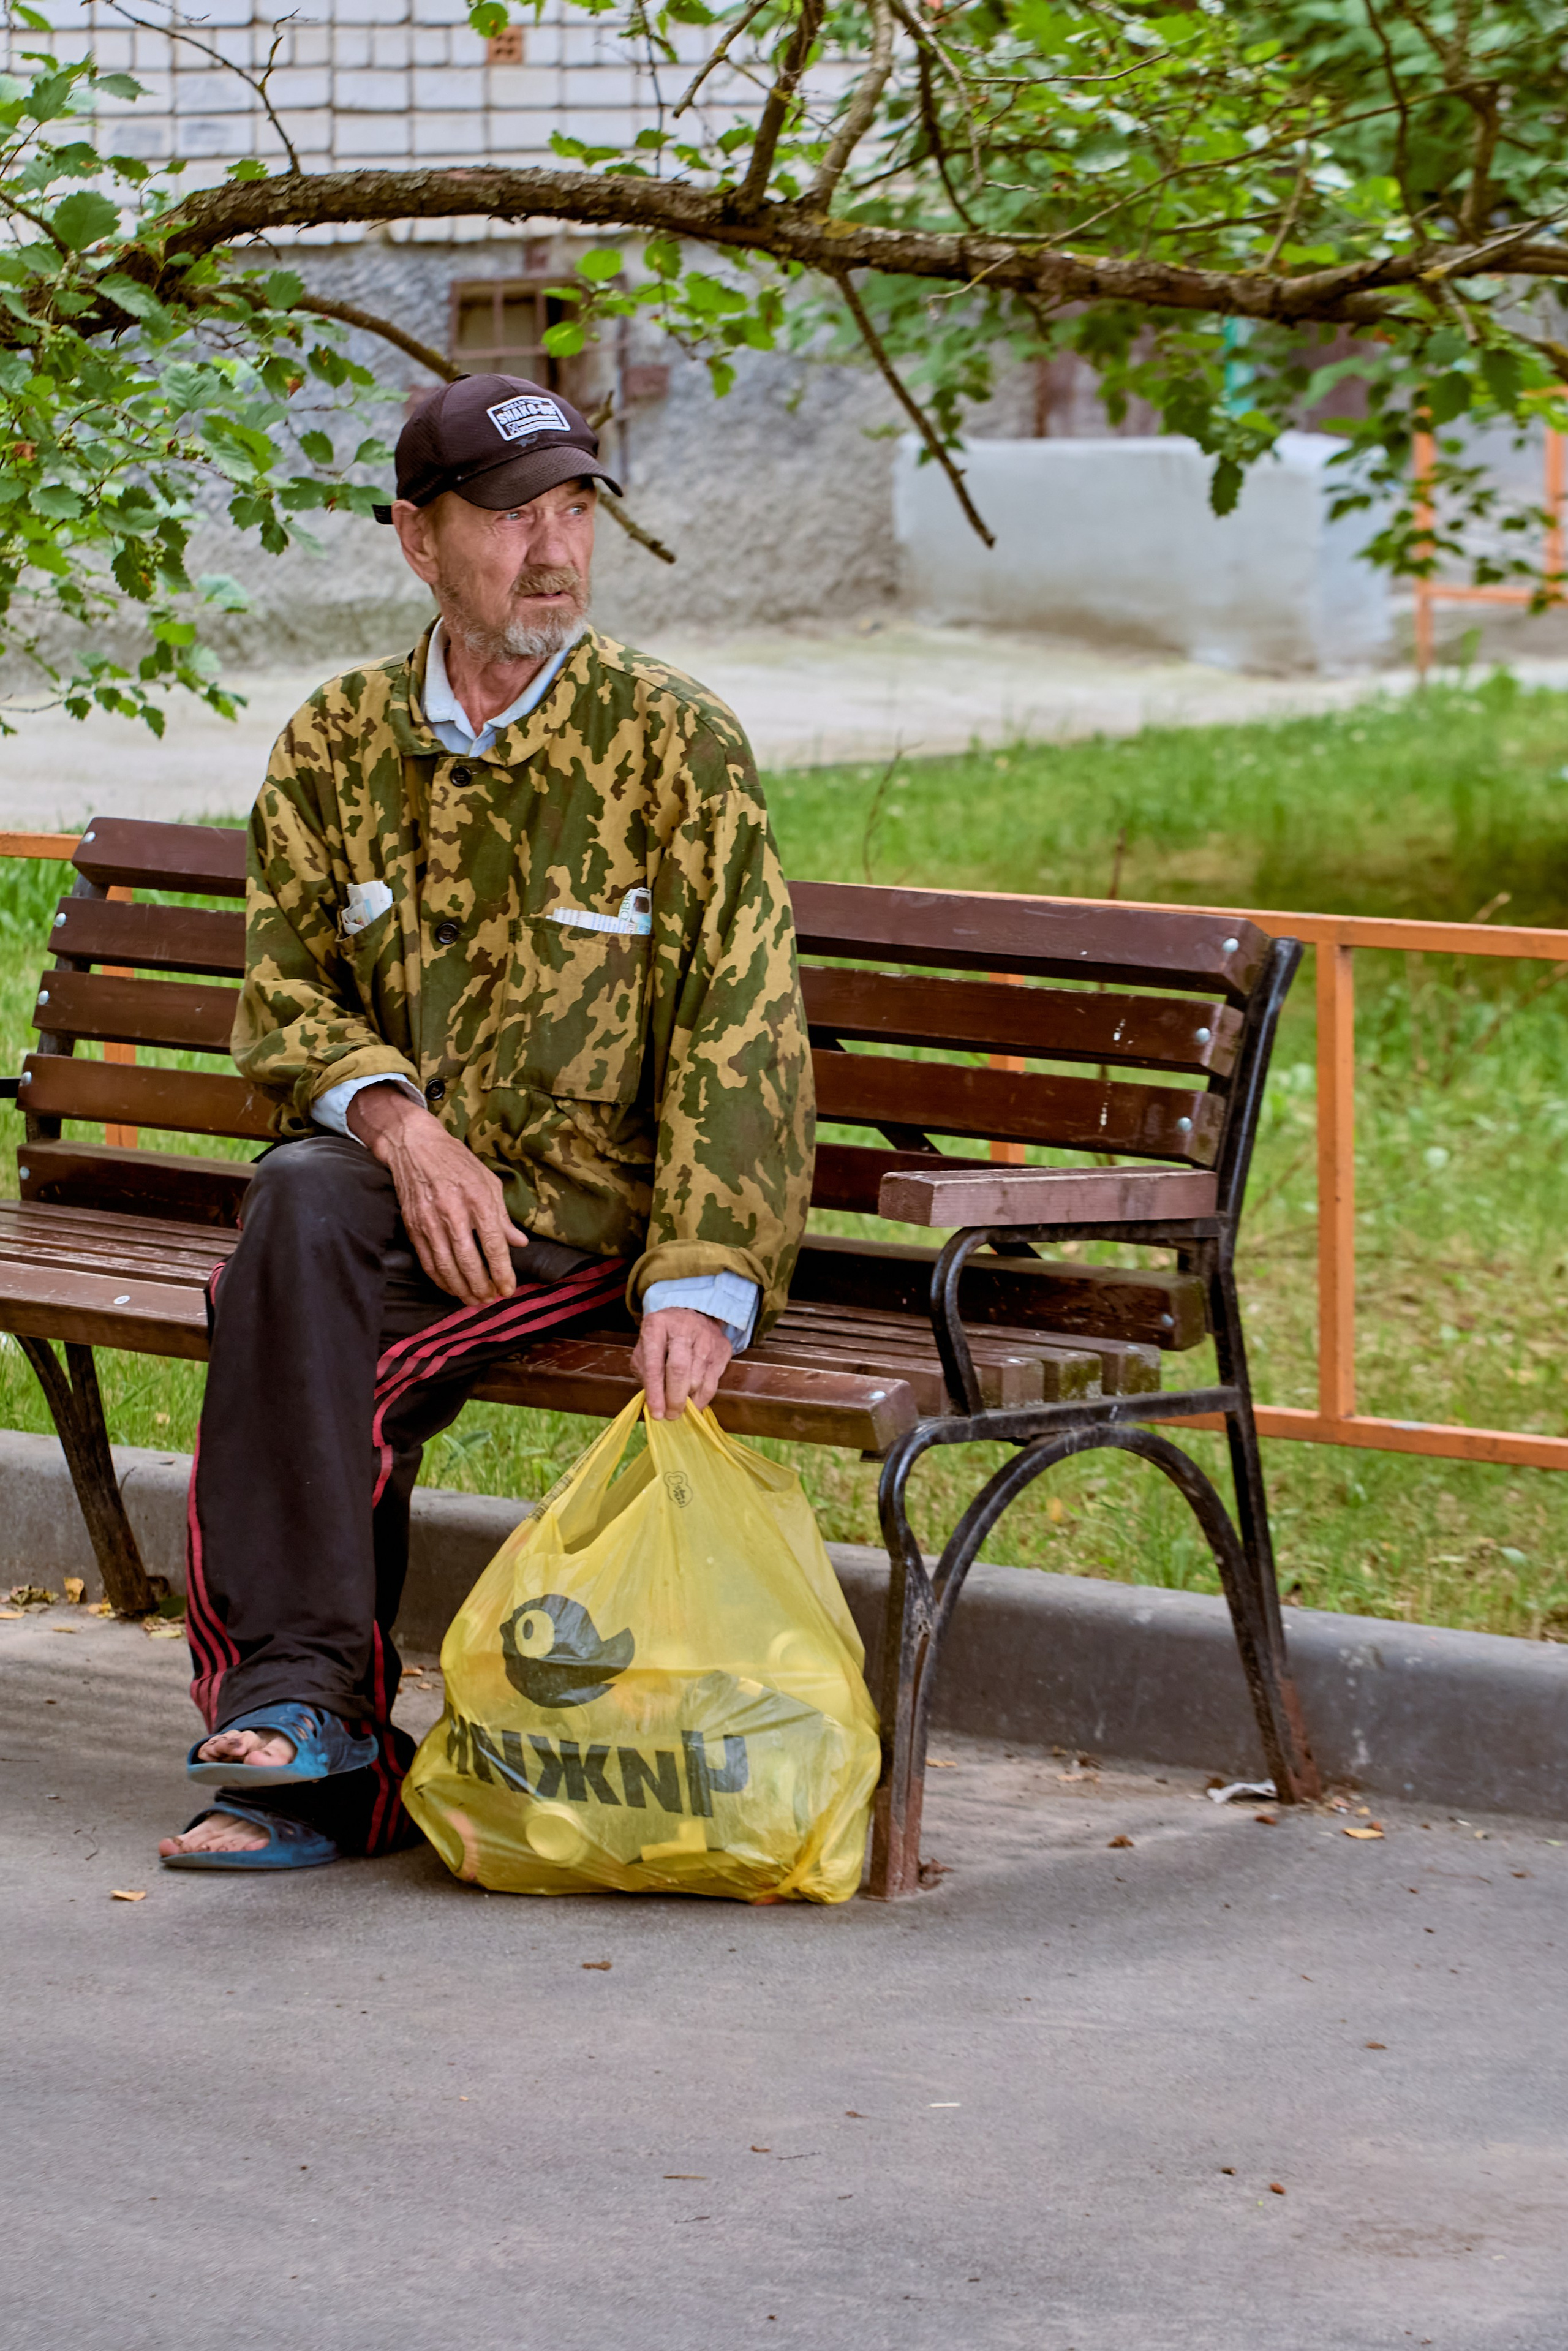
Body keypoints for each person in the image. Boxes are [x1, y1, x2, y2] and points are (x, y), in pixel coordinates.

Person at [159, 375, 813, 1871]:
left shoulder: (669, 740)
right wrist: (401, 1125)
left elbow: (742, 1020)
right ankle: (305, 1713)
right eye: (514, 518)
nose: (554, 549)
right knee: (298, 1214)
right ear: (417, 539)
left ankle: (312, 1755)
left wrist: (704, 1272)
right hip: (406, 1205)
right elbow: (283, 992)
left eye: (575, 511)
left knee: (308, 1340)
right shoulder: (338, 739)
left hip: (586, 1220)